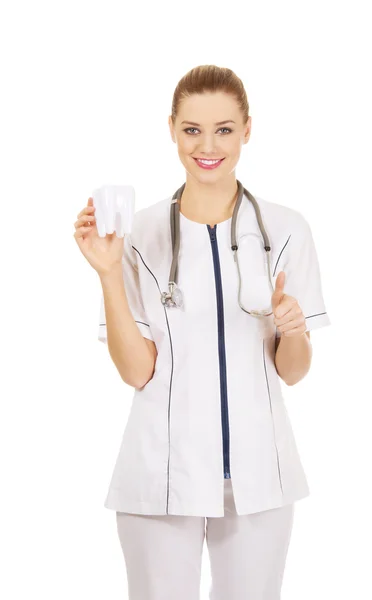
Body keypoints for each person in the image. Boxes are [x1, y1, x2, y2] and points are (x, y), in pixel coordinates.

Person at [74, 64, 330, 600]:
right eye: (192, 129)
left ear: (247, 130)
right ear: (171, 128)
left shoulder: (285, 230)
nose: (207, 145)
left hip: (259, 475)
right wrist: (107, 273)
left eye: (224, 129)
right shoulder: (137, 234)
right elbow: (135, 370)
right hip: (160, 471)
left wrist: (292, 329)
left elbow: (294, 371)